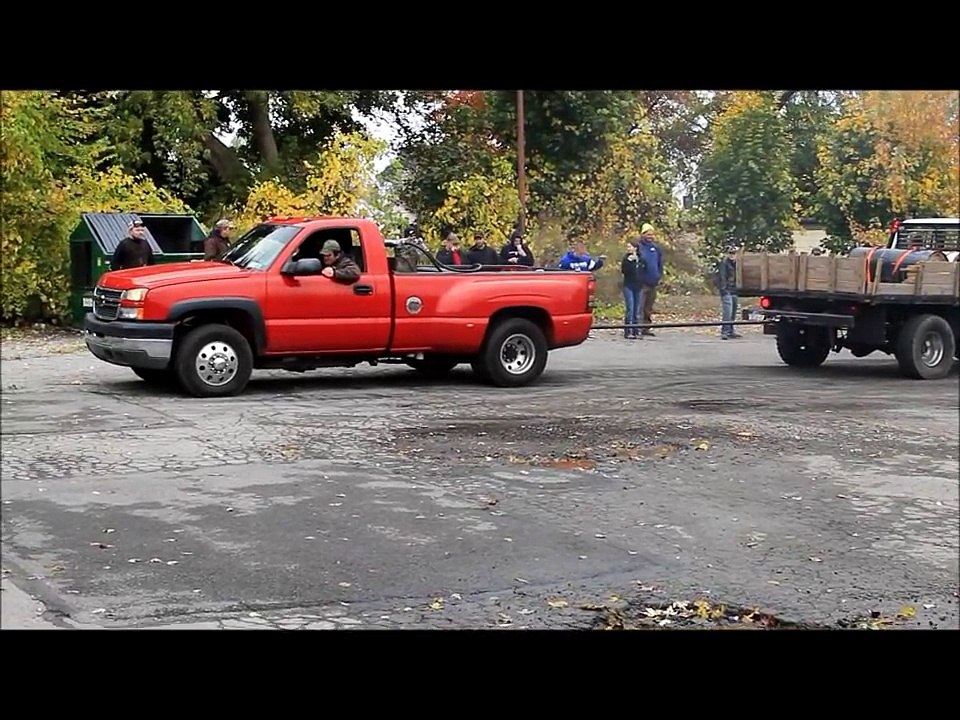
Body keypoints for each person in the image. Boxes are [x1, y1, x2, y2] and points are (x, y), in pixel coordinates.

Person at [636, 223, 663, 336]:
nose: (650, 236)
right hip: (641, 283)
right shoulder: (638, 247)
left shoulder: (656, 248)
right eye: (647, 234)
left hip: (653, 282)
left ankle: (646, 328)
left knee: (648, 307)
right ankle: (636, 327)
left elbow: (660, 264)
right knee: (639, 306)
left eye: (652, 234)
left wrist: (659, 276)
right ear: (642, 234)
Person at [620, 238, 644, 339]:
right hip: (628, 285)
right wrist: (629, 263)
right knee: (630, 308)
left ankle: (635, 330)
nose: (628, 248)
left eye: (630, 246)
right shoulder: (626, 259)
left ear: (635, 248)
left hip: (638, 286)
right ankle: (628, 330)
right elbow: (624, 271)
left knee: (637, 309)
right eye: (627, 247)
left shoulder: (641, 258)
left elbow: (644, 270)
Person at [718, 243, 741, 340]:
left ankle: (731, 331)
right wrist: (724, 289)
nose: (732, 255)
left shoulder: (737, 264)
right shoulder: (724, 263)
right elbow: (722, 277)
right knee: (727, 312)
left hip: (734, 290)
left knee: (733, 311)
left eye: (734, 253)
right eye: (730, 253)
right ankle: (725, 332)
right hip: (727, 290)